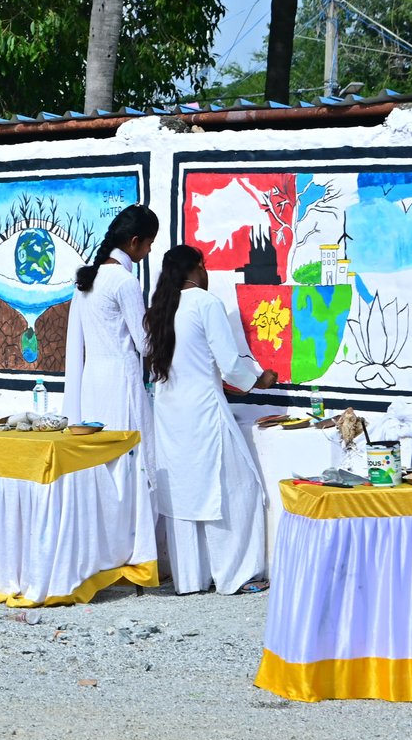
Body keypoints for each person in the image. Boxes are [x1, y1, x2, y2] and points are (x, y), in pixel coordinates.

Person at [144, 245, 278, 595]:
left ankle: (190, 578)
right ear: (200, 268)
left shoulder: (160, 309)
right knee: (238, 490)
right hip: (204, 410)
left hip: (170, 414)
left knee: (185, 495)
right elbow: (230, 363)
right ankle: (236, 574)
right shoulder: (205, 303)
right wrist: (259, 381)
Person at [61, 204, 160, 434]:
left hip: (92, 380)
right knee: (124, 454)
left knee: (98, 456)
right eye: (149, 244)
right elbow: (145, 345)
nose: (149, 251)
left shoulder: (89, 278)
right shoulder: (124, 281)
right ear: (134, 241)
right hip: (120, 381)